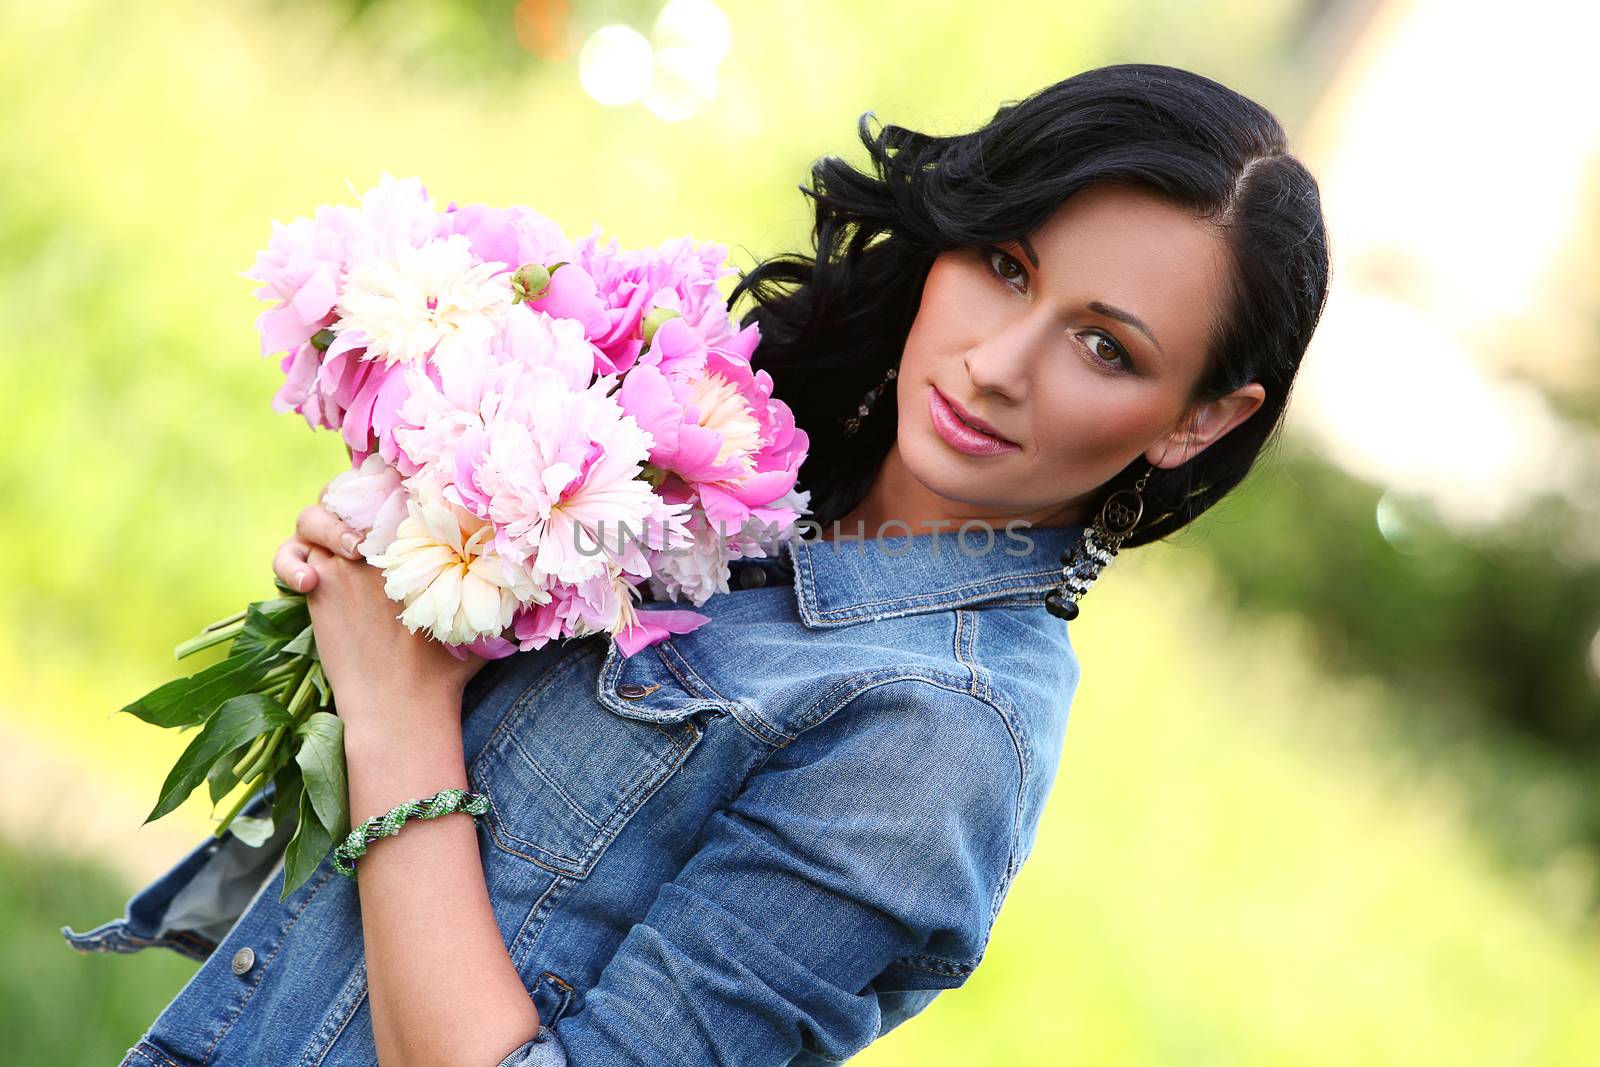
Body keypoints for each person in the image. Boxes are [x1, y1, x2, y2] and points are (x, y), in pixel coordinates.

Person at [63, 62, 1329, 1066]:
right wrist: (414, 543)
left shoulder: (937, 739)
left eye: (1105, 347)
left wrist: (398, 713)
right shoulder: (749, 488)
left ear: (1196, 420)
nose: (999, 361)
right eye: (1006, 266)